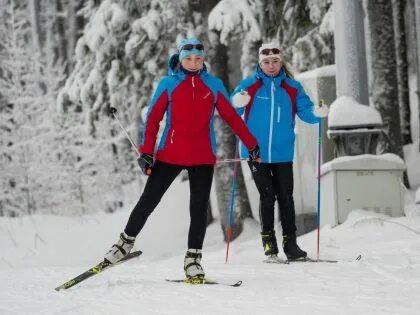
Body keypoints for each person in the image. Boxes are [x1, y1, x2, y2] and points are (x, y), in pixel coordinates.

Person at [104, 38, 260, 280]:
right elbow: (153, 119)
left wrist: (252, 145)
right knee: (148, 200)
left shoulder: (214, 85)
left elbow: (233, 119)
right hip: (171, 153)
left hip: (202, 156)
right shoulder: (168, 84)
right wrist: (146, 151)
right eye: (189, 58)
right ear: (180, 58)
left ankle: (193, 260)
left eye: (198, 58)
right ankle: (124, 244)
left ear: (203, 59)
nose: (194, 62)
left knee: (198, 209)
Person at [231, 43, 328, 261]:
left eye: (275, 61)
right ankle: (269, 243)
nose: (271, 66)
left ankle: (291, 245)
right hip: (256, 152)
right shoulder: (250, 86)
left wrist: (317, 112)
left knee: (286, 197)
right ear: (260, 63)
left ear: (281, 61)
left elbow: (306, 112)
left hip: (283, 152)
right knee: (268, 196)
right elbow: (231, 109)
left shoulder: (292, 87)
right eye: (266, 62)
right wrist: (238, 102)